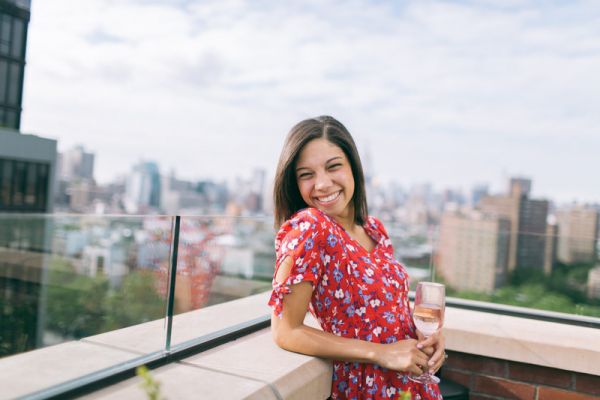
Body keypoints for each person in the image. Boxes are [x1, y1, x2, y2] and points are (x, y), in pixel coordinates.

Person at [268, 116, 445, 400]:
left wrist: (426, 339)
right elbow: (285, 331)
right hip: (368, 387)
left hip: (412, 385)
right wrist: (381, 353)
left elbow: (385, 311)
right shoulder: (309, 229)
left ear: (353, 167)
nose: (322, 184)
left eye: (333, 166)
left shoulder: (375, 229)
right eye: (306, 174)